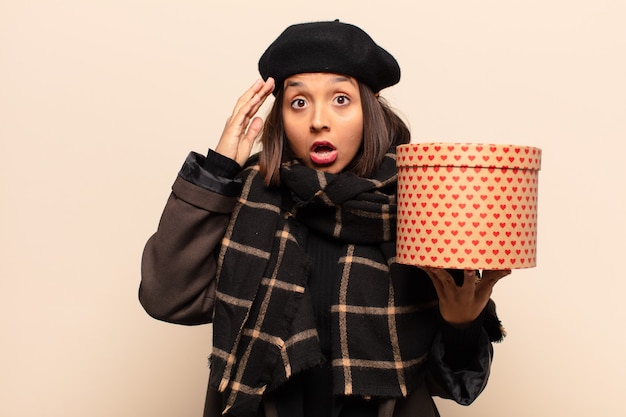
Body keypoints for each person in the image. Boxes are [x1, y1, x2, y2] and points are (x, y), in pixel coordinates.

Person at [139, 20, 511, 417]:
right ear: (280, 116)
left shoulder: (419, 203)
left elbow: (453, 386)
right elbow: (166, 298)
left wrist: (461, 325)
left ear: (369, 109)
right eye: (299, 102)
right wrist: (218, 172)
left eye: (340, 99)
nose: (319, 120)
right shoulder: (250, 195)